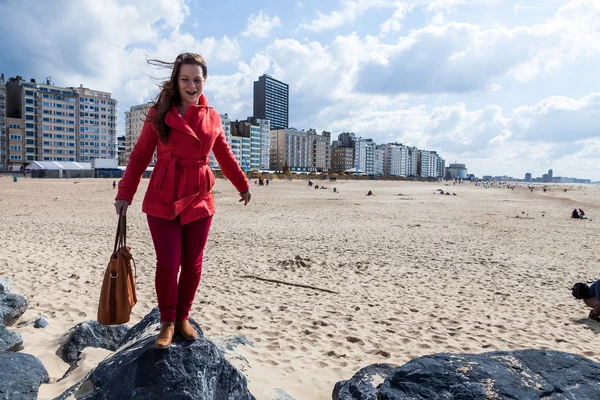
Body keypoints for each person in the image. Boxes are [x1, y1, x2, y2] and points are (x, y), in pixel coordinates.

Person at [113, 53, 251, 349]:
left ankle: (183, 316)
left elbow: (224, 154)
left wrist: (242, 185)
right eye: (185, 79)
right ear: (176, 80)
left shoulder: (212, 116)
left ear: (205, 81)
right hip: (163, 195)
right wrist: (125, 194)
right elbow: (138, 156)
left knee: (192, 263)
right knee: (168, 262)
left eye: (197, 80)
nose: (192, 86)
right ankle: (167, 322)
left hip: (199, 197)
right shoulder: (159, 112)